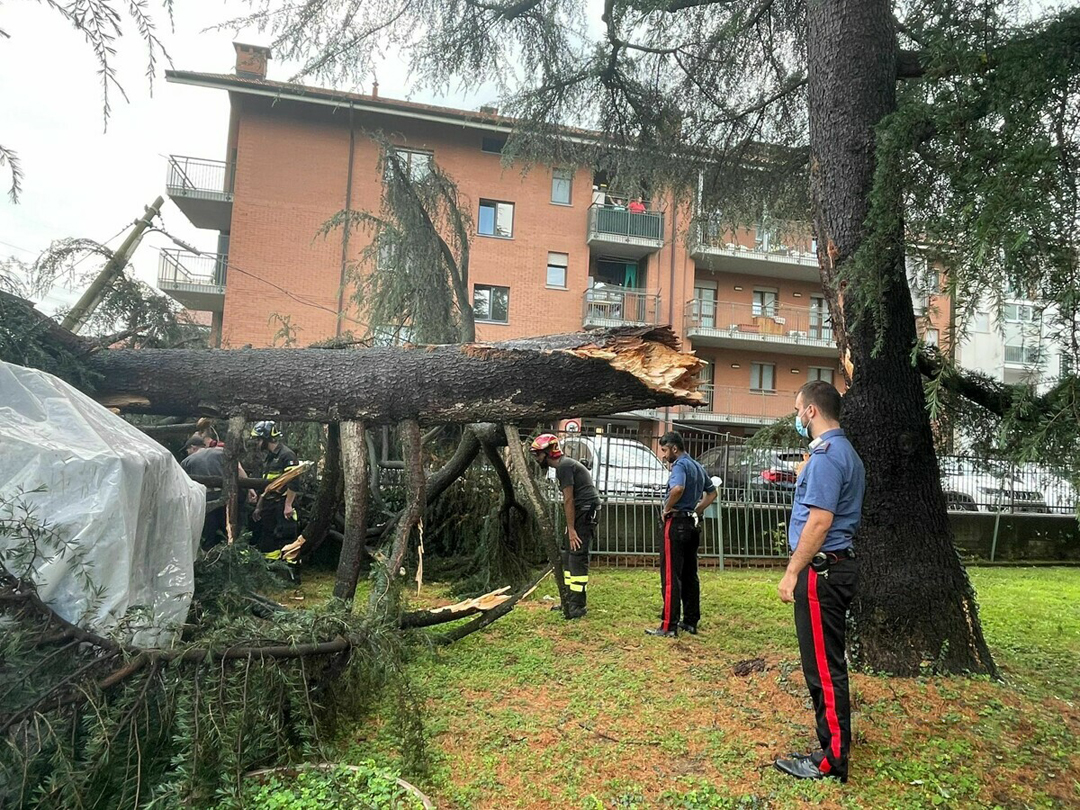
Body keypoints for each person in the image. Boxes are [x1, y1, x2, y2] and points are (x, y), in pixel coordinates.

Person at [773, 380, 865, 784]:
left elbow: (821, 520)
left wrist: (793, 571)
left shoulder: (827, 456)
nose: (797, 416)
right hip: (837, 567)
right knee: (828, 664)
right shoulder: (839, 453)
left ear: (811, 411)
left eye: (798, 409)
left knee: (823, 670)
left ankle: (831, 760)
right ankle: (833, 742)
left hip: (822, 573)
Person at [647, 431, 717, 637]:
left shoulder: (679, 465)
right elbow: (712, 492)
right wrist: (697, 510)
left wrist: (667, 508)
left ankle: (669, 625)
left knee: (671, 575)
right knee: (689, 573)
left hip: (676, 522)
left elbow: (677, 488)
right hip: (692, 524)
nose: (664, 455)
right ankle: (690, 621)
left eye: (665, 450)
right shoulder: (697, 466)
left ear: (674, 449)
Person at [530, 433, 601, 619]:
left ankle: (578, 606)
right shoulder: (564, 465)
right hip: (581, 511)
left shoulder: (564, 466)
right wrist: (569, 527)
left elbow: (568, 500)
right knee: (568, 555)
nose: (536, 459)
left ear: (548, 452)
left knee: (577, 556)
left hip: (584, 512)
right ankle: (568, 601)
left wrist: (571, 529)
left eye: (538, 454)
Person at [179, 435, 253, 548]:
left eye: (187, 450)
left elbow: (183, 485)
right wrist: (250, 488)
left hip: (205, 500)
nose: (187, 453)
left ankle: (208, 557)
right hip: (228, 497)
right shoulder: (222, 452)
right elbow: (239, 469)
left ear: (193, 447)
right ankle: (232, 554)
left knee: (209, 534)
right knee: (229, 531)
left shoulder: (187, 462)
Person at [250, 421, 301, 557]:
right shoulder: (269, 458)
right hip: (269, 505)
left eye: (259, 439)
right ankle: (273, 572)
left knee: (286, 538)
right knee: (268, 540)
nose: (257, 443)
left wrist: (288, 505)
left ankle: (290, 573)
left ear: (266, 438)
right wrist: (259, 507)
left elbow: (293, 482)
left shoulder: (287, 455)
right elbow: (267, 487)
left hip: (283, 504)